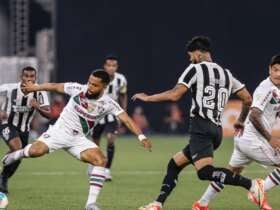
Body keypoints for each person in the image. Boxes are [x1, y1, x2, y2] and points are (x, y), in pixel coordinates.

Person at [132, 36, 264, 210]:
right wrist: (240, 120)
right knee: (174, 164)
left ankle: (253, 185)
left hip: (200, 127)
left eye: (190, 55)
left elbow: (175, 95)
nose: (190, 59)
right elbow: (247, 99)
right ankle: (157, 204)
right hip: (217, 131)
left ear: (198, 53)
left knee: (204, 172)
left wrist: (148, 98)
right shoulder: (226, 73)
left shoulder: (194, 69)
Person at [2, 69, 151, 210]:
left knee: (101, 160)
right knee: (35, 152)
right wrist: (35, 87)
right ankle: (16, 155)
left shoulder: (108, 103)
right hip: (59, 132)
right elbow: (54, 86)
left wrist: (141, 136)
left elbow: (126, 120)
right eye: (89, 82)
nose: (89, 87)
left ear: (104, 86)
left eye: (94, 85)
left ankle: (91, 204)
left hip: (78, 139)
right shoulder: (77, 88)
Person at [193, 55, 280, 210]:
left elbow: (266, 112)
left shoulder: (277, 90)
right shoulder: (267, 88)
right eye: (275, 70)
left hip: (243, 139)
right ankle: (259, 189)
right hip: (253, 141)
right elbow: (254, 115)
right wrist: (270, 138)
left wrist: (240, 120)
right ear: (269, 70)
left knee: (229, 173)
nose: (278, 74)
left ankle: (201, 204)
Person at [0, 66, 51, 193]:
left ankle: (3, 178)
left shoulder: (40, 92)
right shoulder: (9, 88)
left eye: (31, 77)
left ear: (35, 78)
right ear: (21, 77)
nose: (28, 79)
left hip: (24, 129)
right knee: (17, 148)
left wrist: (37, 107)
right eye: (26, 76)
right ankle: (3, 179)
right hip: (7, 124)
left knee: (19, 155)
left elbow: (49, 114)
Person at [91, 55, 127, 181]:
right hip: (96, 114)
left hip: (112, 114)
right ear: (104, 66)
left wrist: (123, 113)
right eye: (109, 65)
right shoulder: (97, 78)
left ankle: (106, 170)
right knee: (95, 142)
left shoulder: (121, 79)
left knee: (111, 139)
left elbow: (123, 96)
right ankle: (94, 164)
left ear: (117, 67)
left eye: (114, 66)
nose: (111, 68)